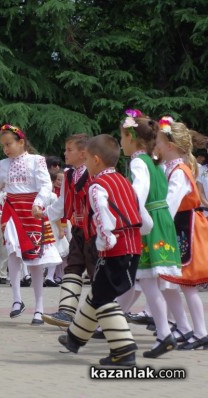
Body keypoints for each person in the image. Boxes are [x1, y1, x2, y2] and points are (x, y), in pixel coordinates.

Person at [0, 124, 62, 325]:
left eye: (9, 144)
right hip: (12, 212)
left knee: (36, 260)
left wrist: (38, 203)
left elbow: (46, 185)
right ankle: (17, 300)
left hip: (32, 211)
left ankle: (39, 308)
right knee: (12, 253)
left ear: (21, 142)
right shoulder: (4, 165)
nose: (6, 149)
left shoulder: (37, 161)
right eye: (3, 146)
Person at [57, 134, 141, 366]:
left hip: (115, 247)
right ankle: (75, 338)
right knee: (97, 294)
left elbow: (104, 217)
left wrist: (104, 241)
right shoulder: (123, 180)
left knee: (103, 298)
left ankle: (124, 350)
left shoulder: (97, 186)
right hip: (133, 245)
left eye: (88, 162)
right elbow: (139, 211)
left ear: (95, 160)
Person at [118, 110, 182, 358]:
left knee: (147, 280)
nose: (121, 142)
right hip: (161, 219)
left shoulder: (138, 161)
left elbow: (138, 193)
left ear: (132, 138)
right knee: (149, 281)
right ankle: (164, 332)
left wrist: (131, 218)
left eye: (123, 137)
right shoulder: (156, 162)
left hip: (149, 223)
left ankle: (165, 333)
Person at [156, 116, 208, 350]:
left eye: (158, 140)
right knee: (168, 279)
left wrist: (155, 222)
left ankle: (200, 331)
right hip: (177, 225)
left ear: (170, 146)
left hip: (184, 227)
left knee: (186, 284)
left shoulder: (179, 171)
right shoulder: (171, 168)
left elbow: (170, 204)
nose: (155, 144)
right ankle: (186, 328)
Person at [39, 134, 97, 327]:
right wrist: (44, 215)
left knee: (96, 273)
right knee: (72, 268)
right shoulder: (69, 175)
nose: (65, 153)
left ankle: (101, 318)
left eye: (69, 150)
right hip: (79, 230)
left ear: (83, 153)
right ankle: (66, 311)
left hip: (96, 232)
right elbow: (63, 204)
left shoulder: (95, 172)